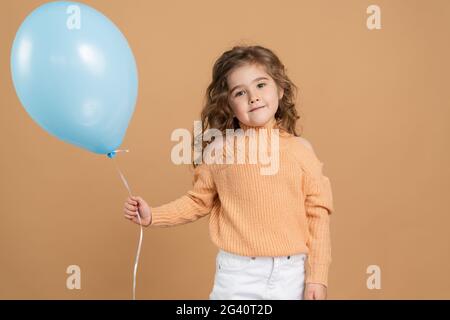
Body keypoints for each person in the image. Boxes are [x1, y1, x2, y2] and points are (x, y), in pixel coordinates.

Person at [123, 45, 334, 300]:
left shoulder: (300, 150)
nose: (253, 97)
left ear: (280, 88)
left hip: (292, 275)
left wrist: (317, 277)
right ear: (228, 104)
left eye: (261, 85)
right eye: (240, 92)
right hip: (238, 274)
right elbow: (197, 201)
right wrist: (153, 216)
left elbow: (318, 214)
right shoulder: (219, 150)